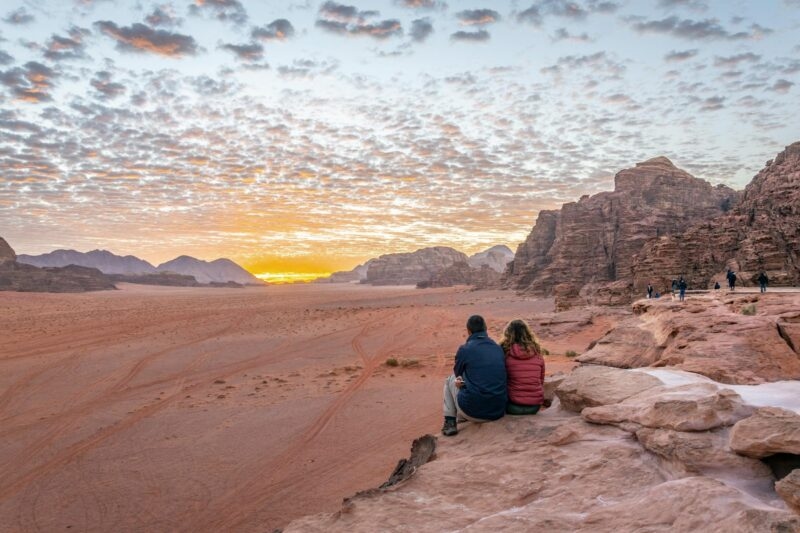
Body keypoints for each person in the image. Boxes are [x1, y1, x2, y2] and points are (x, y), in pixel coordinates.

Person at [442, 315, 507, 436]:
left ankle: (450, 422)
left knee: (450, 380)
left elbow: (458, 374)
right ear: (486, 329)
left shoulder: (465, 349)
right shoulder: (498, 348)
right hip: (498, 411)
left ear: (468, 331)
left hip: (474, 412)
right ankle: (462, 416)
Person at [500, 319, 545, 415]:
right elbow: (541, 380)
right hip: (534, 406)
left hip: (512, 406)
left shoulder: (504, 353)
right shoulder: (537, 352)